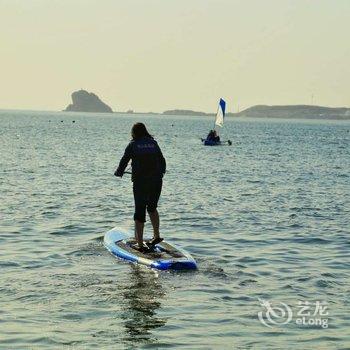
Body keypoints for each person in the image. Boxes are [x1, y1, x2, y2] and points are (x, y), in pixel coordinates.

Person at [115, 123, 166, 252]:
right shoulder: (153, 143)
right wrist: (160, 173)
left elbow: (124, 160)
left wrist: (119, 172)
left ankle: (140, 244)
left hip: (141, 182)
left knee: (140, 210)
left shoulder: (133, 145)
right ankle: (157, 236)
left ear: (134, 133)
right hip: (157, 181)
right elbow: (162, 161)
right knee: (152, 207)